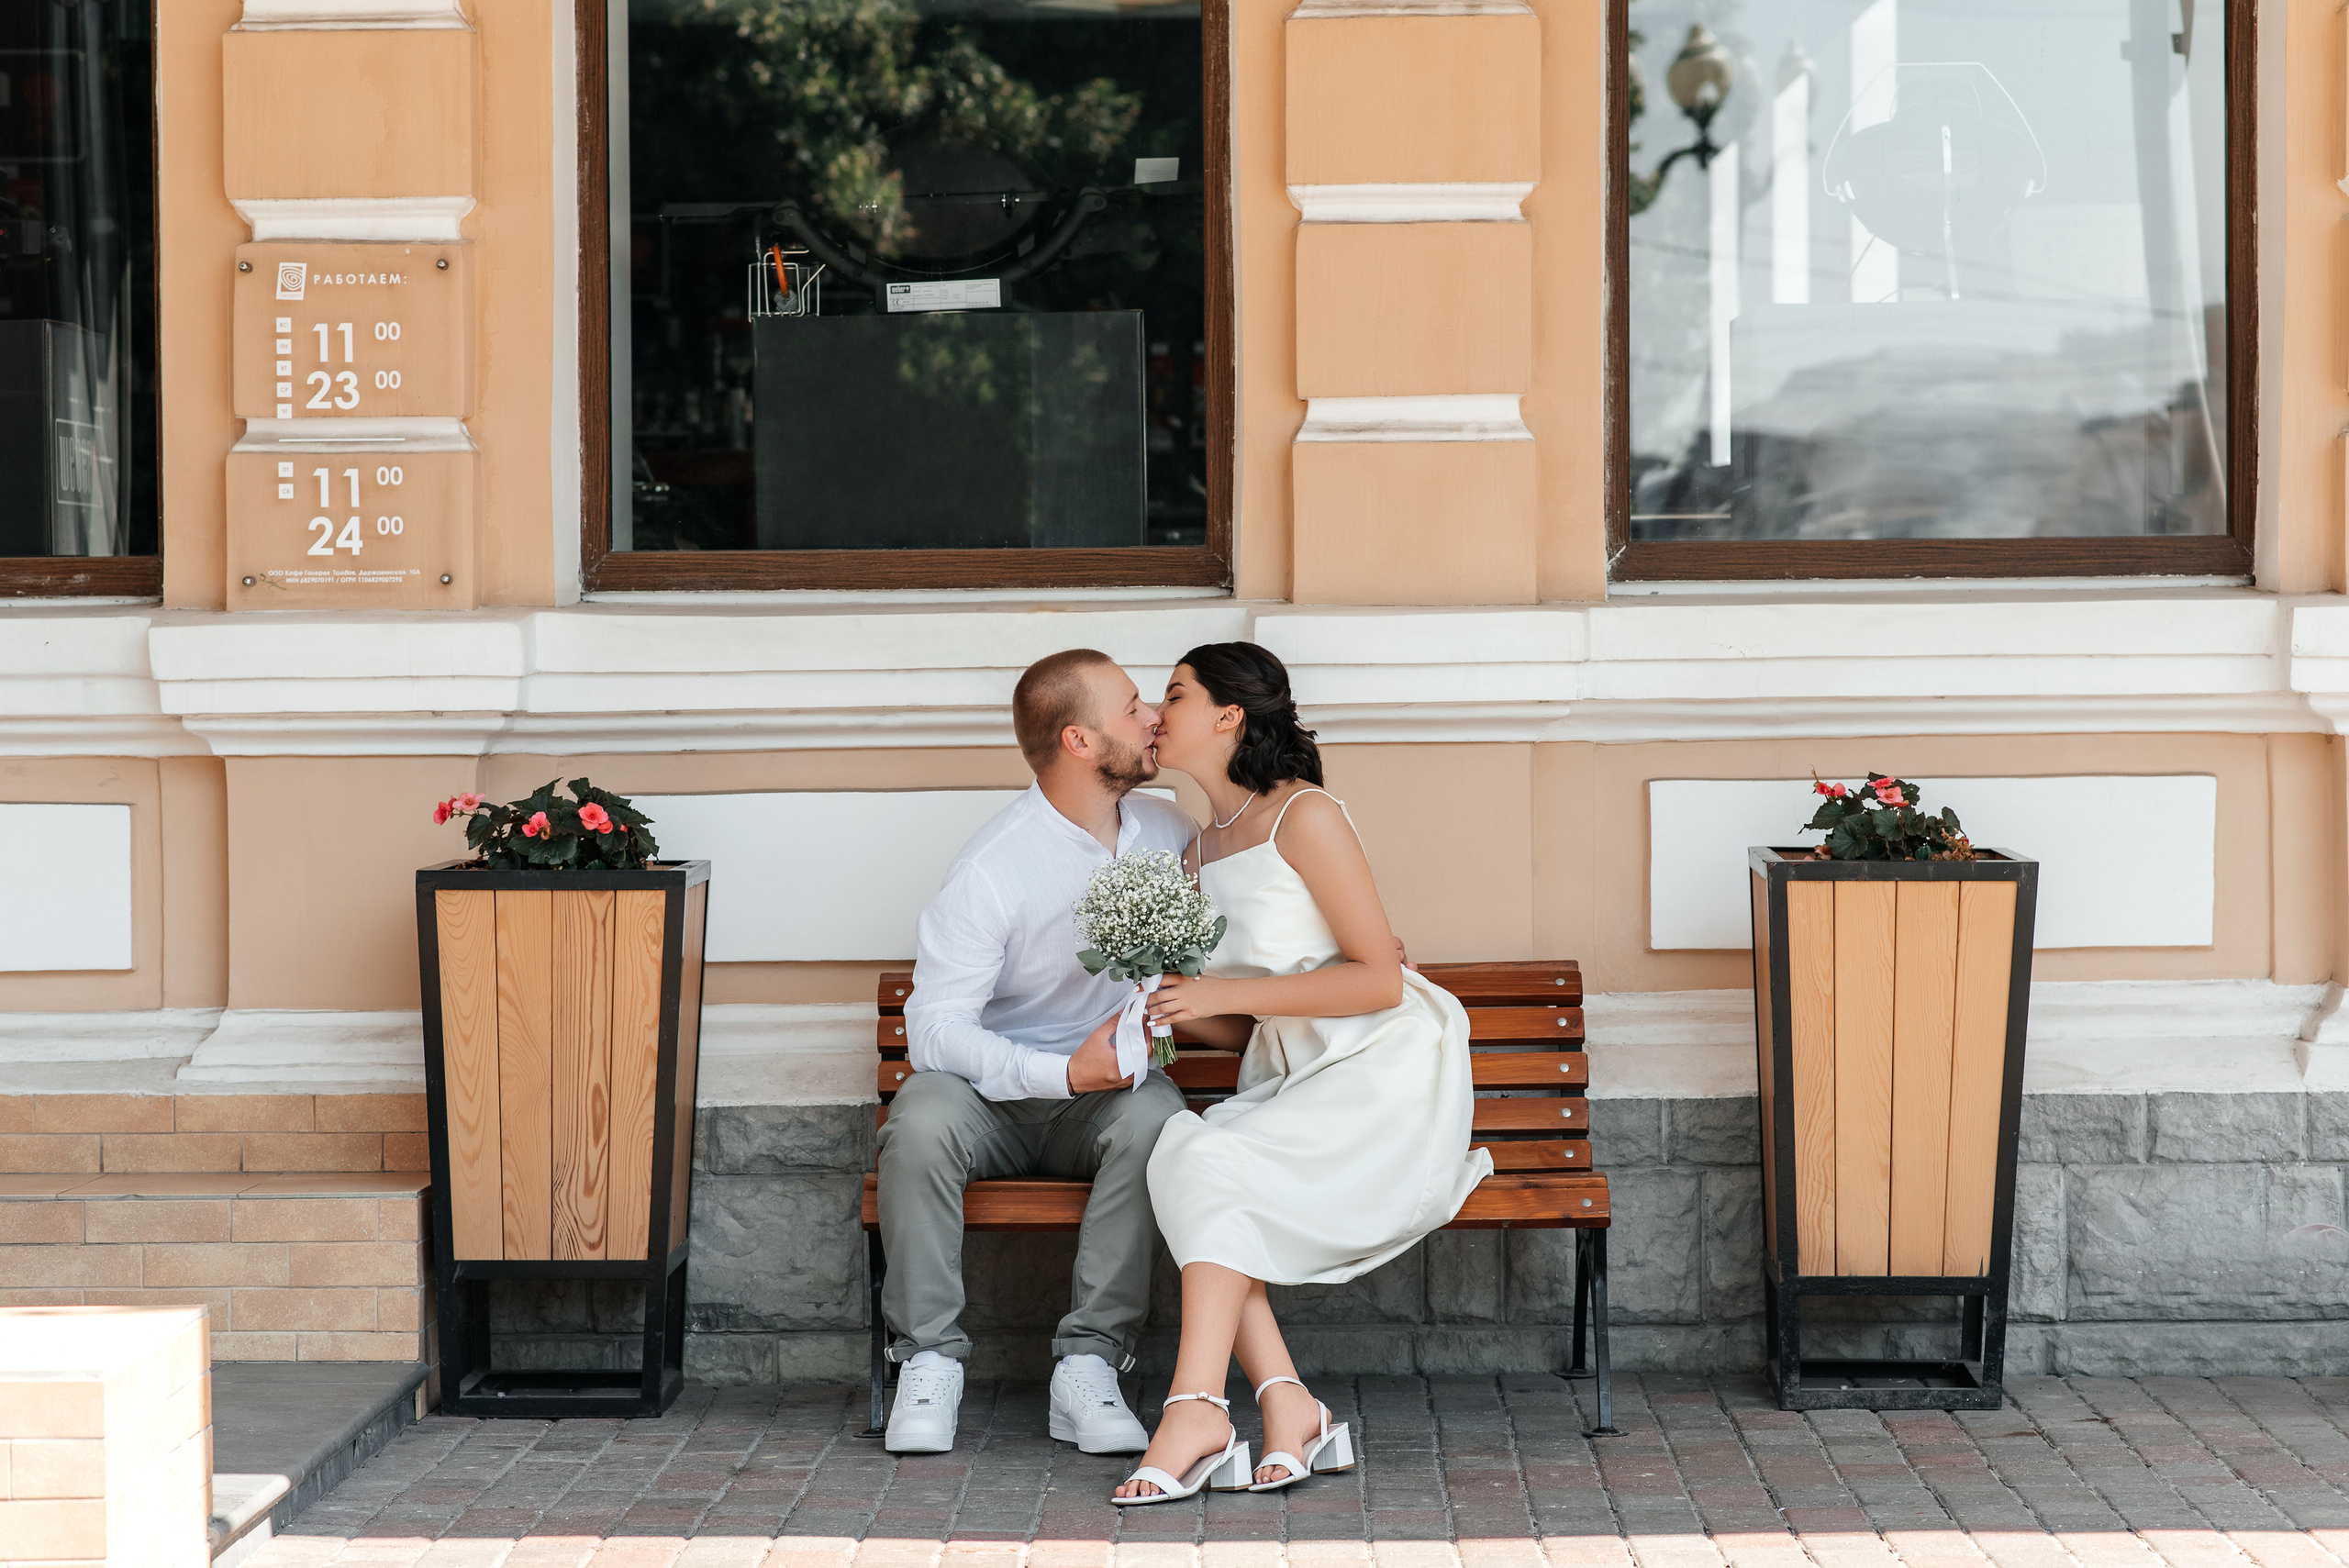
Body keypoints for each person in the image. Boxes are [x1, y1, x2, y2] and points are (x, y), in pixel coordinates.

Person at [1108, 640, 1490, 1505]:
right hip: (1291, 1072)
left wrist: (1222, 989)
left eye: (1174, 693)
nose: (1158, 713)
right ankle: (1284, 1405)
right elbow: (1237, 1020)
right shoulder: (1198, 854)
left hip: (1380, 1065)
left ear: (1229, 714)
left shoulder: (1303, 814)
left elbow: (1379, 977)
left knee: (1203, 1160)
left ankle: (1200, 1411)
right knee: (1188, 1154)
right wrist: (1161, 998)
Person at [880, 648, 1194, 1456]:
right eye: (1132, 706)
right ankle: (927, 1359)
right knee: (919, 1119)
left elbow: (1256, 916)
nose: (1153, 717)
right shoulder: (993, 867)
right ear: (1078, 741)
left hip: (1104, 1104)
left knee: (1159, 1118)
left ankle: (1089, 1365)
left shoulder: (1170, 832)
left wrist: (1344, 948)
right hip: (992, 1102)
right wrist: (1057, 1071)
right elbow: (934, 1029)